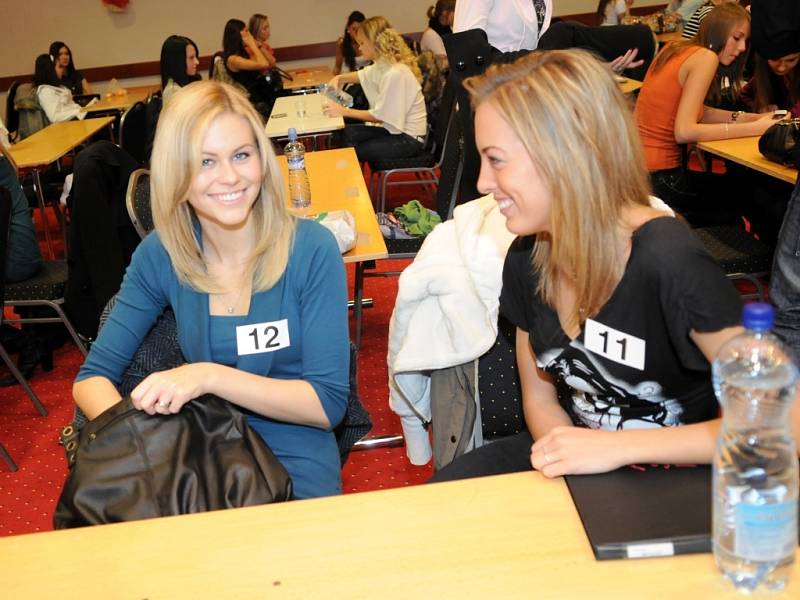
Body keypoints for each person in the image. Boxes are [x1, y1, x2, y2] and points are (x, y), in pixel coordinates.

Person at [429, 48, 759, 483]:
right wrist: (568, 460)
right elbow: (541, 400)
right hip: (586, 457)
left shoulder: (669, 259)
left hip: (676, 477)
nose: (483, 183)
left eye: (497, 160)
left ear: (567, 154)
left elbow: (777, 424)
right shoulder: (527, 259)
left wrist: (612, 449)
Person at [72, 81, 350, 500]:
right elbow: (90, 381)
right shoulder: (162, 254)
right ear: (177, 176)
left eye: (241, 155)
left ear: (262, 159)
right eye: (206, 162)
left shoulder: (310, 249)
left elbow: (327, 404)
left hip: (295, 466)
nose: (230, 177)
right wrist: (141, 452)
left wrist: (209, 377)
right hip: (197, 462)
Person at [635, 3, 774, 224]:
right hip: (663, 177)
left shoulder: (675, 47)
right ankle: (753, 255)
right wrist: (757, 128)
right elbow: (684, 131)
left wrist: (748, 118)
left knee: (738, 188)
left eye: (745, 41)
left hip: (639, 173)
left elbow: (696, 111)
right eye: (736, 38)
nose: (741, 48)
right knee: (747, 193)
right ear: (718, 31)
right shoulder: (706, 57)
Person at [324, 16, 427, 163]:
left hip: (409, 140)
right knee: (345, 134)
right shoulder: (384, 64)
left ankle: (351, 182)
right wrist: (339, 78)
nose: (359, 47)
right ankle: (350, 180)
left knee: (351, 151)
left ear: (374, 43)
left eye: (362, 43)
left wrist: (343, 111)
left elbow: (379, 116)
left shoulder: (395, 73)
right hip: (395, 131)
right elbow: (362, 75)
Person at [221, 18, 273, 117]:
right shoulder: (233, 59)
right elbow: (263, 64)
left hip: (263, 96)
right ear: (237, 35)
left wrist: (259, 46)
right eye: (246, 32)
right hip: (254, 104)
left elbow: (270, 63)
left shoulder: (243, 53)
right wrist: (252, 44)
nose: (250, 35)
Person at [33, 54, 87, 124]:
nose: (62, 70)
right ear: (50, 71)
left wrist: (83, 110)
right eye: (59, 67)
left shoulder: (60, 87)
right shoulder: (45, 91)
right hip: (67, 128)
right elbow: (55, 117)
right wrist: (78, 111)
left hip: (76, 121)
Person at [159, 35, 201, 105]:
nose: (197, 62)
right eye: (191, 58)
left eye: (196, 57)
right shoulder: (173, 92)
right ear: (177, 61)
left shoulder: (188, 82)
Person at [421, 1, 456, 69]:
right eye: (455, 12)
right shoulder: (431, 35)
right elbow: (444, 63)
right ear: (445, 13)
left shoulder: (447, 30)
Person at [333, 11, 367, 75]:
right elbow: (337, 67)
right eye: (354, 29)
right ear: (348, 29)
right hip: (348, 80)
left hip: (365, 81)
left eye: (360, 29)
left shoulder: (369, 42)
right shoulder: (341, 43)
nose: (356, 32)